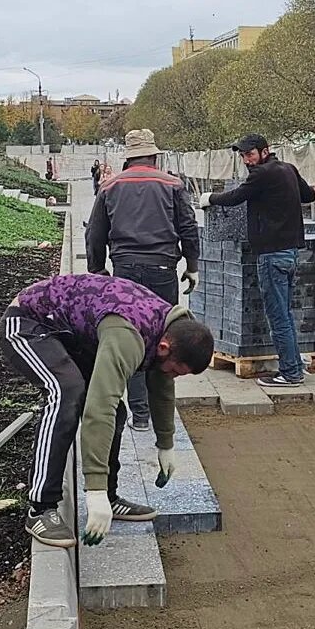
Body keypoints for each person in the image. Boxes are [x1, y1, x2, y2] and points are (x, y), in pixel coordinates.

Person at [0, 273, 214, 547]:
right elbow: (99, 409)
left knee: (119, 413)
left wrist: (166, 443)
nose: (173, 375)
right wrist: (94, 490)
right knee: (65, 392)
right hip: (28, 322)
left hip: (67, 333)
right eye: (175, 369)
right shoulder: (127, 336)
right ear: (163, 348)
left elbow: (161, 385)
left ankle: (111, 498)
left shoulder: (173, 329)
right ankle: (41, 507)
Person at [87, 129, 201, 428]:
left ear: (129, 157)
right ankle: (161, 406)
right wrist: (192, 265)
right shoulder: (173, 184)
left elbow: (95, 234)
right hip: (163, 270)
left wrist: (98, 271)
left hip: (125, 271)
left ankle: (140, 415)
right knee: (165, 338)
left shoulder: (110, 186)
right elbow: (188, 227)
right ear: (154, 156)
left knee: (132, 339)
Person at [200, 134, 315, 389]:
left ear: (265, 151)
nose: (246, 160)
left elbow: (236, 197)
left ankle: (290, 374)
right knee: (285, 314)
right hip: (290, 253)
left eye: (250, 154)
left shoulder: (262, 174)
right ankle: (294, 366)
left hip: (272, 254)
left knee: (279, 318)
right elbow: (309, 196)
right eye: (242, 155)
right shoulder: (288, 169)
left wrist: (210, 198)